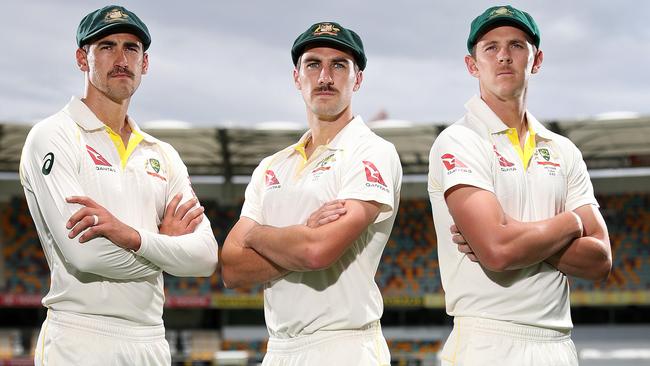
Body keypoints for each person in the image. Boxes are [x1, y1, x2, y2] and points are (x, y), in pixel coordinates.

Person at [19, 5, 218, 365]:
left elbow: (205, 256)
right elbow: (86, 254)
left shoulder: (163, 153)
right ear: (83, 59)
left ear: (145, 63)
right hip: (81, 337)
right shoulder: (53, 136)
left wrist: (131, 237)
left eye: (132, 48)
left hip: (151, 340)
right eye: (107, 47)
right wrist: (167, 249)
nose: (122, 58)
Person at [427, 5, 612, 366]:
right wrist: (571, 225)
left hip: (558, 344)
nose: (503, 56)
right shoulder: (459, 141)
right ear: (472, 64)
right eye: (490, 47)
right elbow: (498, 252)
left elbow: (601, 261)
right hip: (486, 343)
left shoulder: (563, 150)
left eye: (516, 45)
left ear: (536, 59)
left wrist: (514, 236)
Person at [221, 21, 402, 365]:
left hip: (344, 347)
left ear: (358, 79)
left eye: (339, 65)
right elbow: (232, 269)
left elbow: (318, 251)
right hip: (278, 349)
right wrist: (301, 234)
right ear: (296, 77)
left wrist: (257, 234)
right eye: (313, 64)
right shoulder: (273, 166)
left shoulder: (371, 151)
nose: (325, 77)